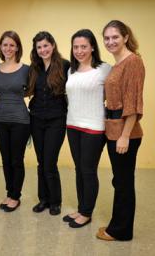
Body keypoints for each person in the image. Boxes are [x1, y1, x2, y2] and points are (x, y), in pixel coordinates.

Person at [96, 20, 145, 241]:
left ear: (125, 37)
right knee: (120, 180)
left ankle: (120, 231)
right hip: (113, 129)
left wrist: (125, 136)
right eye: (106, 38)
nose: (110, 41)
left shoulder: (133, 62)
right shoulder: (117, 64)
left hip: (125, 131)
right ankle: (117, 225)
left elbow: (133, 103)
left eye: (115, 37)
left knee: (124, 182)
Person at [64, 29, 111, 228]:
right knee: (78, 170)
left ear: (92, 47)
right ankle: (82, 207)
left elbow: (112, 96)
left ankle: (86, 212)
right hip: (73, 125)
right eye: (76, 47)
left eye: (84, 46)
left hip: (94, 128)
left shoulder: (104, 68)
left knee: (88, 170)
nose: (79, 51)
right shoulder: (71, 70)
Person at [27, 31, 70, 216]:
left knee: (49, 162)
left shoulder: (65, 65)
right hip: (36, 118)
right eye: (39, 47)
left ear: (52, 45)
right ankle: (43, 199)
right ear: (35, 50)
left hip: (56, 119)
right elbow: (27, 91)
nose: (43, 50)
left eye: (45, 45)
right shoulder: (34, 68)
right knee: (40, 161)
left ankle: (55, 201)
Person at [0, 31, 30, 212]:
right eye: (5, 45)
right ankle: (10, 192)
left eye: (11, 45)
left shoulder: (26, 69)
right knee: (6, 159)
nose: (8, 48)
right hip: (0, 120)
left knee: (17, 159)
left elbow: (31, 91)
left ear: (17, 47)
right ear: (0, 47)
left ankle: (16, 196)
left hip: (20, 121)